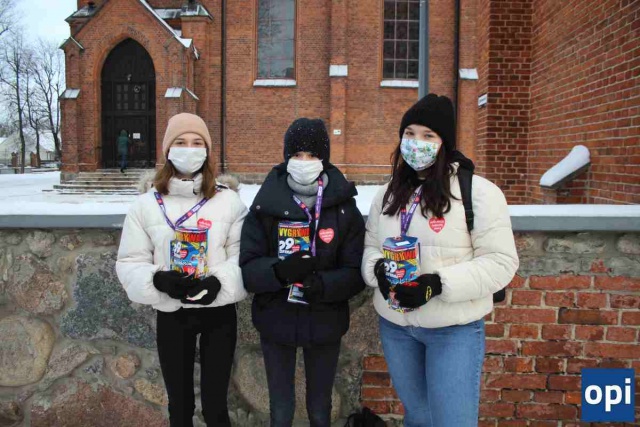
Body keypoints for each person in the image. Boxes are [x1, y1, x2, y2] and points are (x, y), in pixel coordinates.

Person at [361, 94, 519, 427]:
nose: (416, 142)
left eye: (428, 135)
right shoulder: (387, 193)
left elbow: (501, 262)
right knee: (418, 418)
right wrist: (379, 271)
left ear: (444, 142)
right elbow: (372, 247)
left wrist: (436, 284)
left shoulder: (479, 192)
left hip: (453, 331)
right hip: (396, 328)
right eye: (410, 133)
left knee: (452, 421)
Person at [116, 113, 247, 427]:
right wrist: (157, 280)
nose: (189, 149)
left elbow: (243, 256)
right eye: (181, 142)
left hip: (217, 311)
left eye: (197, 142)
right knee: (179, 408)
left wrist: (219, 282)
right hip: (172, 312)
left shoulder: (229, 202)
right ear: (168, 150)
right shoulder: (146, 205)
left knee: (216, 408)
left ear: (207, 150)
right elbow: (130, 261)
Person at [240, 118, 365, 427]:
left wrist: (323, 284)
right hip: (276, 317)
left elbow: (355, 271)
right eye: (297, 154)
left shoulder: (344, 207)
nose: (304, 161)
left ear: (324, 159)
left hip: (325, 319)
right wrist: (279, 272)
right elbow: (249, 268)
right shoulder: (265, 204)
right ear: (286, 157)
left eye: (312, 155)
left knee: (320, 409)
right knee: (280, 410)